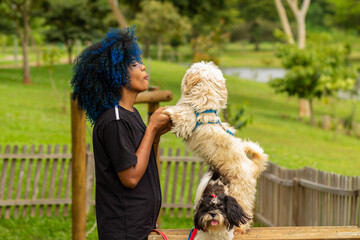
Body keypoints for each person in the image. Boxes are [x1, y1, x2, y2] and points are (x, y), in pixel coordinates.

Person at [71, 27, 171, 240]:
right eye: (134, 64)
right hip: (124, 231)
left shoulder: (130, 114)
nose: (143, 67)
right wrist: (151, 128)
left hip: (139, 227)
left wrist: (155, 135)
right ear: (115, 74)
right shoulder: (114, 120)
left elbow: (140, 161)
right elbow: (131, 177)